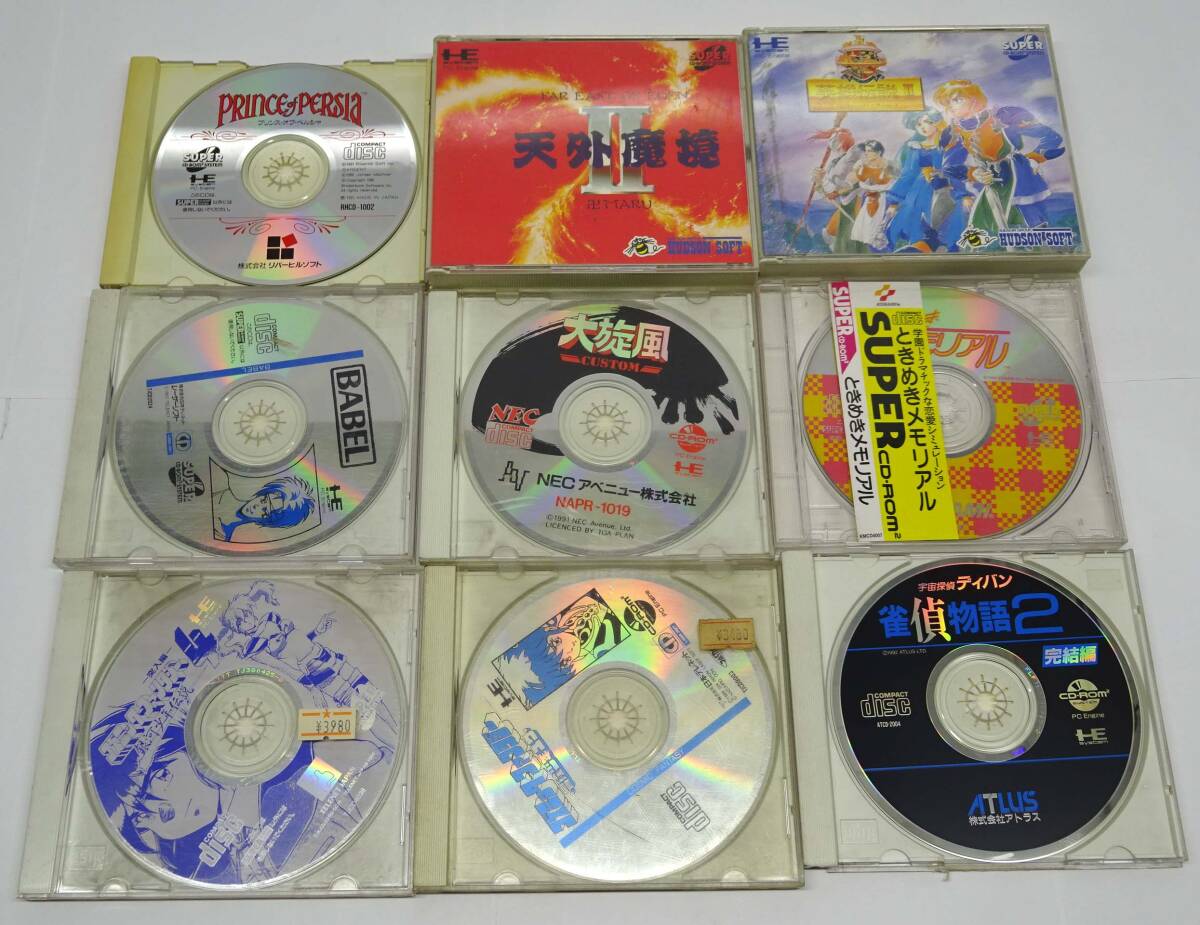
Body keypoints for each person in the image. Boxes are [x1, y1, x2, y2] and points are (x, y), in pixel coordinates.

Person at [933, 79, 1065, 238]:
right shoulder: (955, 132)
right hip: (991, 181)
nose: (951, 106)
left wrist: (1034, 158)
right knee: (990, 228)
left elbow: (1052, 137)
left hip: (1020, 176)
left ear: (974, 98)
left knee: (1035, 222)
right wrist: (973, 173)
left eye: (957, 100)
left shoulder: (1004, 117)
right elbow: (949, 167)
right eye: (947, 103)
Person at [885, 109, 967, 252]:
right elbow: (908, 175)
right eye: (918, 124)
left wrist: (963, 194)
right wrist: (893, 202)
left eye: (927, 122)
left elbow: (956, 170)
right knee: (916, 228)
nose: (923, 127)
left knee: (950, 227)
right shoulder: (916, 148)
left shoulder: (951, 144)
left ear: (936, 122)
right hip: (919, 193)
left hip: (947, 190)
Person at [213, 474, 316, 543]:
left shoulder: (224, 536)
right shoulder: (220, 480)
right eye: (263, 500)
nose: (256, 506)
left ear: (267, 521)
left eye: (265, 512)